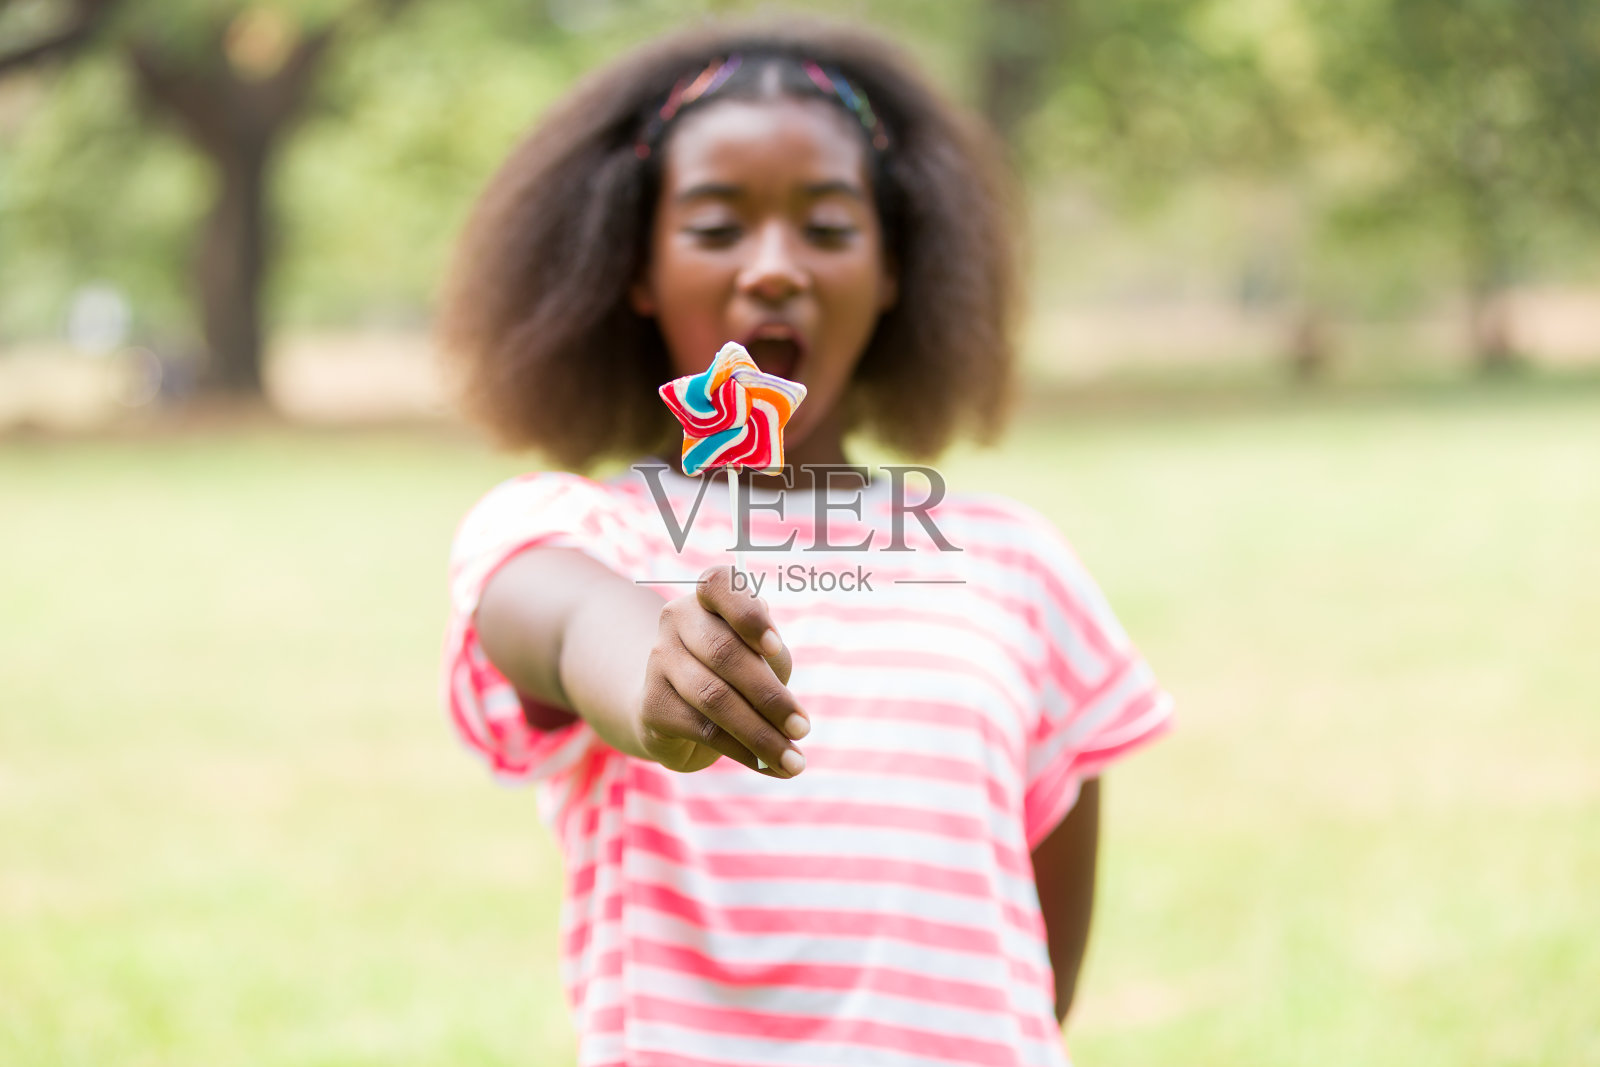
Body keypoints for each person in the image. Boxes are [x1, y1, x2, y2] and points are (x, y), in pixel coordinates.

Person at [437, 20, 1173, 1067]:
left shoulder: (1015, 565)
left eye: (827, 229)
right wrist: (647, 657)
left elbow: (1035, 977)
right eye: (715, 227)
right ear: (636, 269)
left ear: (892, 272)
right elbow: (557, 619)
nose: (774, 268)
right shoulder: (575, 531)